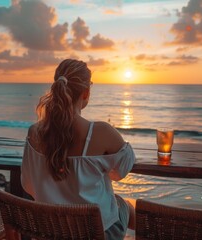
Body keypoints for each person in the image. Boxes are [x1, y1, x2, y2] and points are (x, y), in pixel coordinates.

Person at [21, 59, 136, 239]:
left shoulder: (34, 132)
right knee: (125, 205)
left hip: (51, 232)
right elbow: (121, 171)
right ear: (86, 92)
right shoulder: (102, 132)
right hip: (97, 234)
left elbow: (28, 185)